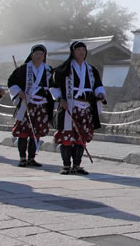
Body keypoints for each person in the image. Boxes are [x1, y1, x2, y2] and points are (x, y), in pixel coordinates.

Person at [52, 41, 105, 175]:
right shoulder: (64, 69)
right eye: (78, 50)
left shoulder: (91, 70)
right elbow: (53, 85)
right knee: (67, 136)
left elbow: (98, 85)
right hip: (70, 106)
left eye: (83, 50)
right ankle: (66, 165)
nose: (81, 52)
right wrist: (60, 98)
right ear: (72, 52)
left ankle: (77, 165)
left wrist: (100, 93)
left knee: (81, 137)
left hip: (85, 108)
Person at [7, 44, 54, 167]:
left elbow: (53, 87)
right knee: (23, 132)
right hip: (27, 103)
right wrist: (19, 91)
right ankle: (22, 157)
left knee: (36, 133)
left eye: (41, 54)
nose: (39, 56)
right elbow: (11, 82)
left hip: (41, 105)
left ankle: (32, 158)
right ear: (32, 55)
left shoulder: (49, 70)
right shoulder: (23, 69)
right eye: (36, 54)